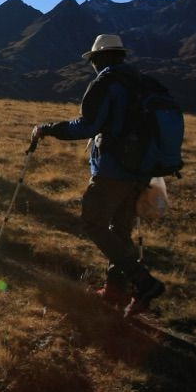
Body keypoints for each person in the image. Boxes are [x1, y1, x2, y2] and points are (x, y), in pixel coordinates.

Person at [31, 34, 165, 318]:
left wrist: (48, 129)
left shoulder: (107, 83)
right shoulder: (140, 82)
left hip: (113, 170)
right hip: (141, 171)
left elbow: (87, 126)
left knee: (94, 223)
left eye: (93, 59)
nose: (92, 64)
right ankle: (115, 290)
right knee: (120, 231)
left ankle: (144, 282)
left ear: (99, 58)